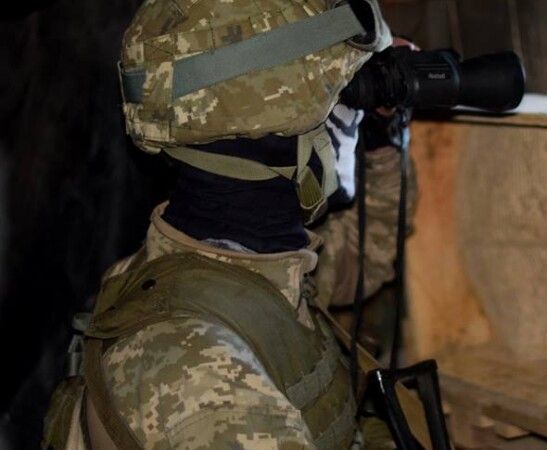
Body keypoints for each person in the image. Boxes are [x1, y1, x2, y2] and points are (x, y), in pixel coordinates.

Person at [41, 0, 417, 448]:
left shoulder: (224, 264)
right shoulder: (205, 386)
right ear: (276, 122)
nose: (354, 113)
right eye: (346, 96)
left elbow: (362, 252)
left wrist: (382, 141)